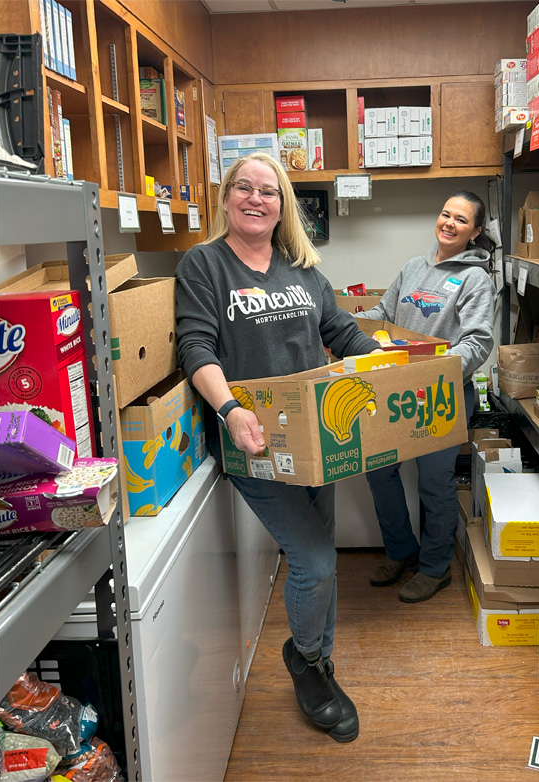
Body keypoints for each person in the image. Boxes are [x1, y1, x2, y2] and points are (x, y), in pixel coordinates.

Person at [174, 152, 382, 742]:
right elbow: (197, 347)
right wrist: (231, 410)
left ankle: (320, 658)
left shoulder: (303, 270)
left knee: (324, 563)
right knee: (314, 561)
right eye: (245, 187)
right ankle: (305, 663)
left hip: (311, 439)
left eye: (269, 191)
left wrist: (391, 363)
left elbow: (340, 332)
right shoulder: (204, 265)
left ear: (282, 204)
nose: (256, 199)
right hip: (253, 444)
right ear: (227, 197)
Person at [357, 190, 496, 603]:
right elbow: (381, 314)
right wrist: (341, 322)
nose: (449, 223)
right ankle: (402, 552)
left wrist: (438, 370)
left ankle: (435, 569)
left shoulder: (475, 279)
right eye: (445, 214)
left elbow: (478, 341)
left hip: (443, 394)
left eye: (461, 219)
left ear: (474, 232)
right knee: (379, 470)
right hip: (398, 391)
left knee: (434, 482)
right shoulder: (413, 268)